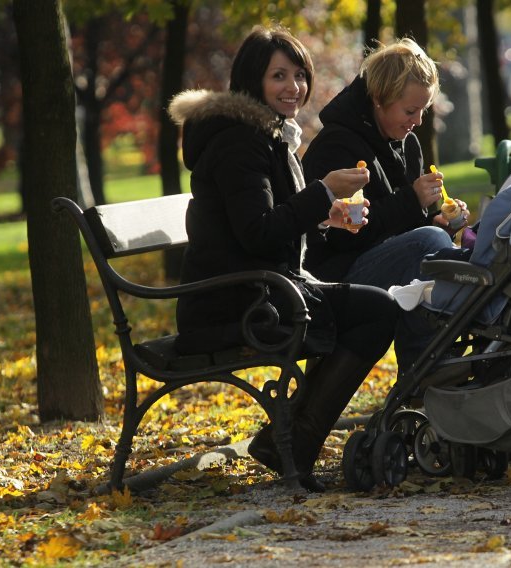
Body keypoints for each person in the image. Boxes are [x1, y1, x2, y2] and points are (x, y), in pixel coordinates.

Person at [168, 25, 399, 492]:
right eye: (279, 76)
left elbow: (267, 223)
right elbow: (258, 233)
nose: (293, 88)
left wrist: (328, 216)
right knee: (376, 312)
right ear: (253, 81)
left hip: (266, 289)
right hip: (236, 304)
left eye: (299, 75)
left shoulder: (266, 134)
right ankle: (294, 439)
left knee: (376, 308)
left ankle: (288, 438)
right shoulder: (240, 141)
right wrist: (323, 192)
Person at [302, 38, 468, 373]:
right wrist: (412, 201)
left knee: (438, 244)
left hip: (369, 265)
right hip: (331, 277)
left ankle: (433, 365)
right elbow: (344, 234)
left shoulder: (406, 144)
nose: (418, 121)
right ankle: (426, 369)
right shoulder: (338, 145)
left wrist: (438, 221)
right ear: (379, 100)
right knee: (430, 245)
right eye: (410, 111)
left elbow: (402, 231)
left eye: (424, 110)